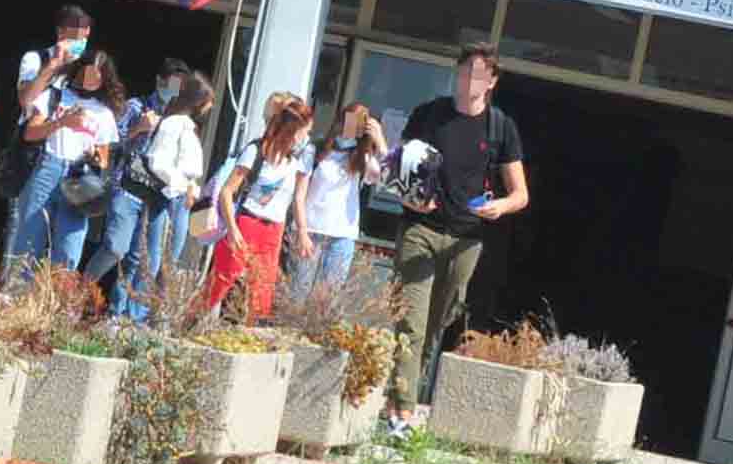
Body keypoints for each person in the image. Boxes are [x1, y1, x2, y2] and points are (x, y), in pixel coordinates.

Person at [392, 43, 529, 416]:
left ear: (492, 82)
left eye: (480, 73)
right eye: (466, 70)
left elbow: (521, 195)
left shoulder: (500, 128)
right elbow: (398, 167)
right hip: (420, 227)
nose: (470, 78)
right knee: (411, 321)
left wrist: (498, 206)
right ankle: (401, 411)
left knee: (437, 323)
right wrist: (408, 197)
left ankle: (402, 395)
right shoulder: (429, 115)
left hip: (467, 239)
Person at [81, 56, 188, 307]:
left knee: (138, 259)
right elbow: (108, 145)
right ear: (159, 81)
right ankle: (79, 290)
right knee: (115, 247)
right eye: (172, 84)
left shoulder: (177, 119)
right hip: (127, 189)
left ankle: (118, 314)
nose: (174, 92)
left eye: (180, 88)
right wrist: (138, 129)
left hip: (156, 196)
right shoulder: (134, 107)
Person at [7, 46, 124, 274]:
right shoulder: (55, 95)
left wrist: (94, 157)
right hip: (47, 167)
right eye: (86, 74)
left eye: (96, 76)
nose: (89, 81)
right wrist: (62, 123)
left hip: (79, 176)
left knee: (70, 244)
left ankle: (58, 300)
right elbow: (30, 133)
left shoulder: (105, 114)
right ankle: (16, 296)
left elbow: (104, 158)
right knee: (29, 238)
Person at [203, 96, 315, 319]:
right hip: (246, 222)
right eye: (305, 132)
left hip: (273, 230)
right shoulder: (256, 151)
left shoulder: (295, 162)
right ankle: (188, 325)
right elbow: (227, 192)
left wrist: (303, 232)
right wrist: (234, 229)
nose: (307, 138)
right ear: (292, 131)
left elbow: (298, 198)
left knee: (261, 294)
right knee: (220, 283)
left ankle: (248, 339)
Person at [4, 2, 98, 264]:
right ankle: (12, 293)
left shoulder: (88, 69)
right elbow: (26, 98)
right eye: (72, 36)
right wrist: (55, 64)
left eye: (83, 37)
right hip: (37, 155)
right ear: (59, 33)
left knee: (67, 245)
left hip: (74, 165)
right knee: (24, 233)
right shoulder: (36, 59)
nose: (78, 43)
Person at [129, 72, 213, 314]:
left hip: (182, 199)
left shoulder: (186, 125)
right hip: (169, 197)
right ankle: (133, 316)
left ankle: (147, 316)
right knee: (152, 261)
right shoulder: (173, 123)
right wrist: (182, 187)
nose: (208, 108)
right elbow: (157, 161)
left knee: (167, 263)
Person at [287, 102, 387, 296]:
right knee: (298, 293)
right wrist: (302, 231)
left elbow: (384, 177)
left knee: (327, 300)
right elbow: (299, 195)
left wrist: (379, 140)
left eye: (359, 122)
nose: (352, 126)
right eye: (350, 119)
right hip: (311, 231)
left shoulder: (362, 157)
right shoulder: (316, 149)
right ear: (341, 120)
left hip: (342, 234)